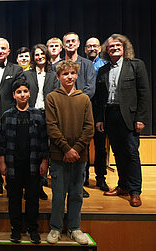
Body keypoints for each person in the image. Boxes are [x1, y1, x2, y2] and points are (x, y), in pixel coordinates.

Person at [95, 34, 150, 207]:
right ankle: (123, 185)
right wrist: (100, 119)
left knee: (131, 153)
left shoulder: (136, 65)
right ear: (106, 50)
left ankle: (135, 191)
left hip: (129, 117)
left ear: (125, 47)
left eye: (118, 45)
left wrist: (141, 118)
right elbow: (99, 98)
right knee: (117, 153)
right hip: (110, 116)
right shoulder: (103, 70)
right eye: (111, 46)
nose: (114, 48)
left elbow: (144, 94)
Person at [45, 60, 94, 245]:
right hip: (59, 155)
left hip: (79, 156)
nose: (69, 77)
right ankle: (56, 228)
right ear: (58, 77)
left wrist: (76, 149)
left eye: (72, 73)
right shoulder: (52, 98)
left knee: (76, 194)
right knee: (58, 194)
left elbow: (89, 128)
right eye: (65, 74)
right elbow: (51, 127)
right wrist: (66, 149)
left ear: (77, 75)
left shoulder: (84, 99)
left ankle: (74, 228)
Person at [0, 79, 48, 244]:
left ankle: (33, 228)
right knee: (14, 197)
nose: (22, 94)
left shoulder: (38, 115)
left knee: (32, 198)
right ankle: (16, 228)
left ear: (29, 93)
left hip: (33, 163)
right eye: (19, 92)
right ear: (14, 95)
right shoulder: (7, 115)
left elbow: (43, 140)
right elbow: (2, 141)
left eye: (25, 91)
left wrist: (44, 161)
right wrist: (2, 161)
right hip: (13, 164)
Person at [61, 32, 96, 198]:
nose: (70, 43)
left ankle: (80, 184)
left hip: (82, 110)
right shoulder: (57, 65)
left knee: (82, 147)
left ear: (78, 43)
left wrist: (75, 101)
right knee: (63, 145)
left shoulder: (88, 64)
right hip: (62, 111)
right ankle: (63, 183)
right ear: (63, 45)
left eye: (73, 41)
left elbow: (90, 88)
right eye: (67, 41)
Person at [24, 44, 59, 200]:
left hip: (48, 115)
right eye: (36, 55)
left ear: (47, 56)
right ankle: (29, 186)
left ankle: (41, 185)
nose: (39, 57)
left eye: (42, 54)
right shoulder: (27, 74)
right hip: (31, 115)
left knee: (45, 151)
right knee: (31, 151)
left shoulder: (54, 74)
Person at [0, 37, 24, 196]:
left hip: (9, 116)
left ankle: (12, 183)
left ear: (8, 51)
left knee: (11, 150)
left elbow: (19, 91)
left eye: (3, 48)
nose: (0, 51)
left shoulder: (16, 70)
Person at [84, 38, 109, 192]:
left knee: (100, 147)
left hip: (100, 111)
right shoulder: (82, 65)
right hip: (84, 111)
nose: (92, 48)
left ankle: (101, 178)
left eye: (95, 46)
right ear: (85, 49)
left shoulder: (105, 66)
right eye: (89, 46)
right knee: (83, 147)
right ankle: (84, 177)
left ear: (100, 48)